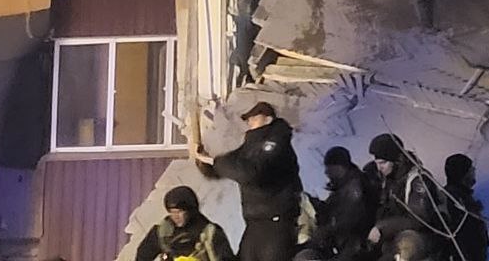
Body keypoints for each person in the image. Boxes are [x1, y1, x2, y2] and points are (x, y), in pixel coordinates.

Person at [198, 101, 302, 261]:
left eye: (255, 117)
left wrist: (216, 163)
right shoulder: (250, 146)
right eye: (248, 119)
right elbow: (230, 163)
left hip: (277, 222)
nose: (250, 121)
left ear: (268, 119)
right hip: (254, 223)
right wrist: (206, 164)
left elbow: (250, 173)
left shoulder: (276, 144)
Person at [364, 134, 444, 261]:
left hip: (424, 237)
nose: (379, 168)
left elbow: (419, 220)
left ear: (398, 159)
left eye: (383, 163)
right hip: (394, 235)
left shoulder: (417, 179)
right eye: (377, 163)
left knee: (407, 245)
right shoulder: (388, 178)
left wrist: (382, 228)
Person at [135, 186, 235, 261]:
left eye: (179, 211)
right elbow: (142, 256)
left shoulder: (210, 234)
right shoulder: (162, 233)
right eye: (172, 212)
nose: (175, 216)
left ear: (190, 210)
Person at [311, 146, 377, 261]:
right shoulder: (344, 185)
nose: (326, 172)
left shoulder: (354, 188)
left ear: (340, 167)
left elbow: (350, 219)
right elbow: (331, 207)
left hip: (355, 244)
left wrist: (327, 230)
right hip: (347, 242)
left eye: (330, 168)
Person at [441, 156, 487, 261]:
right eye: (470, 169)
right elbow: (466, 236)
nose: (474, 171)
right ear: (463, 174)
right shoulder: (454, 199)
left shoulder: (459, 195)